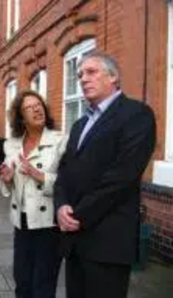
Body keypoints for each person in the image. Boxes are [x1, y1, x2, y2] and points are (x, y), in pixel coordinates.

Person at [54, 50, 156, 298]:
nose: (83, 79)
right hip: (74, 240)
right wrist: (61, 205)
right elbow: (65, 170)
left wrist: (77, 215)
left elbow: (122, 177)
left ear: (114, 77)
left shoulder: (137, 114)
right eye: (80, 75)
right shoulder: (80, 124)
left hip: (107, 241)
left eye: (91, 72)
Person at [0, 90, 67, 298]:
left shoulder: (61, 140)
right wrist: (7, 178)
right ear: (21, 117)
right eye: (29, 107)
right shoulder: (11, 144)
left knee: (43, 286)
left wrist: (38, 175)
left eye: (38, 104)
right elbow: (9, 187)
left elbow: (68, 183)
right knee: (22, 282)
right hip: (22, 223)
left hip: (48, 225)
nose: (36, 109)